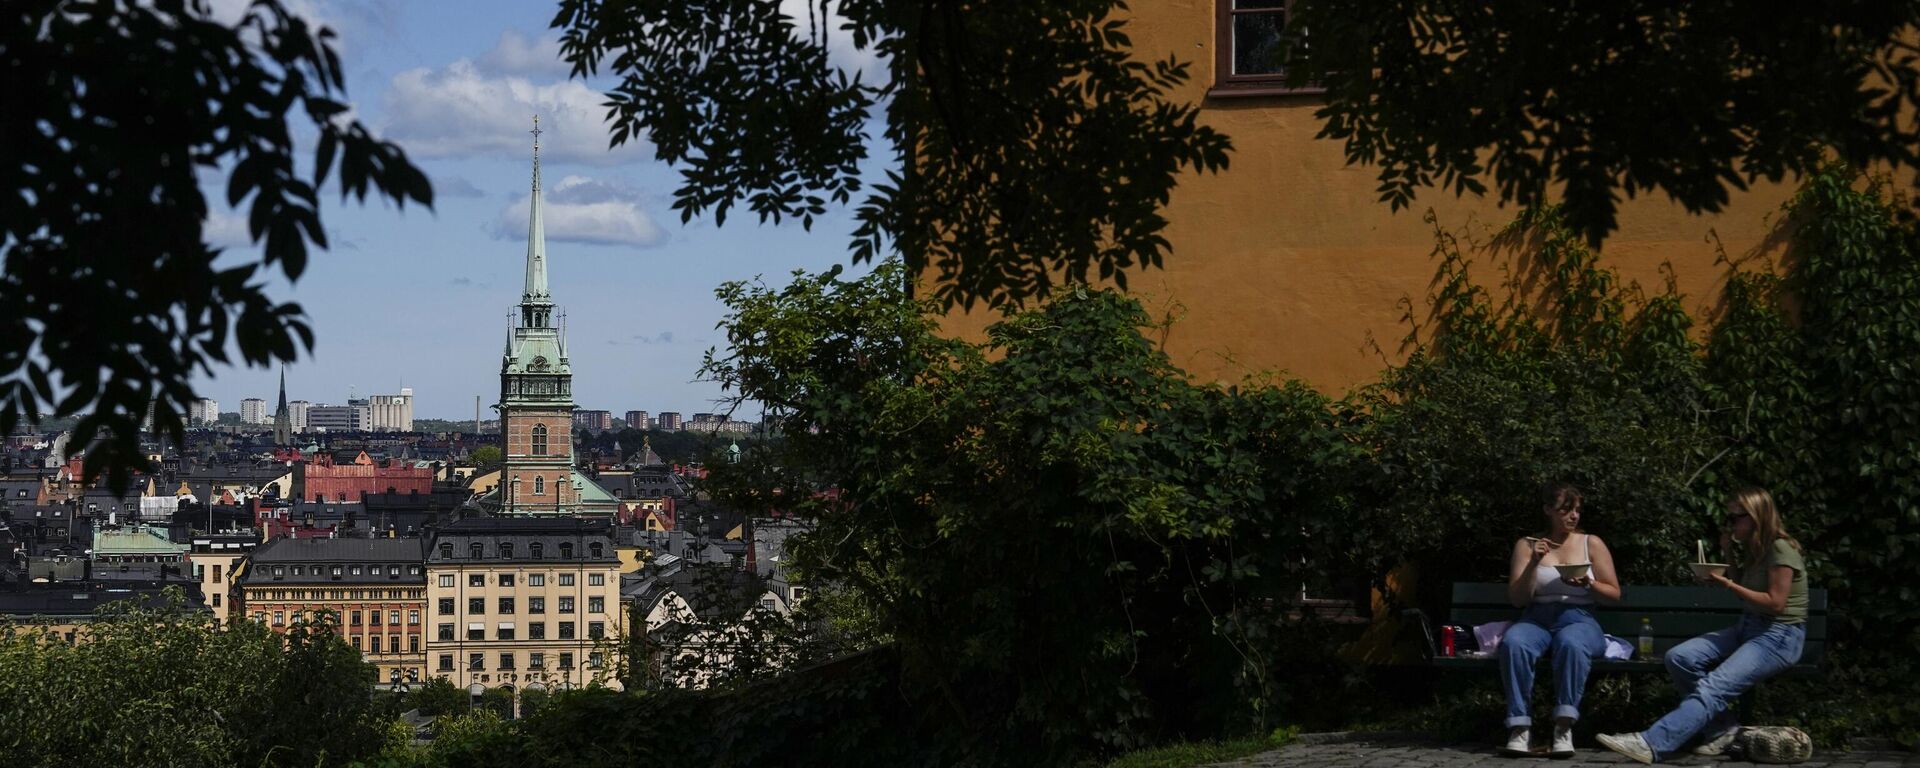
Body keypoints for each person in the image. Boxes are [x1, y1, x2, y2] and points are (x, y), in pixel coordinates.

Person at [1597, 487, 1811, 765]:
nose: (1730, 524)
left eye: (1736, 518)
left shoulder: (1781, 548)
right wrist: (1726, 555)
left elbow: (1775, 603)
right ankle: (1723, 730)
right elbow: (1744, 589)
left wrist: (1729, 584)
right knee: (1680, 658)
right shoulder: (1756, 549)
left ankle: (1651, 743)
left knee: (1714, 686)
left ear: (1757, 517)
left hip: (1778, 635)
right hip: (1749, 627)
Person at [1498, 482, 1623, 758]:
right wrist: (1533, 562)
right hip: (1537, 618)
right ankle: (1519, 728)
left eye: (1577, 510)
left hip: (1579, 618)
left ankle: (1563, 725)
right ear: (1548, 510)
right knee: (1514, 642)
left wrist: (1589, 584)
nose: (1574, 516)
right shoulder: (1527, 545)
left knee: (1571, 644)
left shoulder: (1592, 543)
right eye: (1566, 509)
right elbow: (1519, 599)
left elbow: (1614, 593)